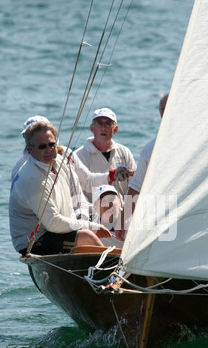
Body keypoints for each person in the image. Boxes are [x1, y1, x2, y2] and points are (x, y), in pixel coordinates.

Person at [9, 121, 112, 256]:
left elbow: (75, 199)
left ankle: (104, 269)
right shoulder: (32, 179)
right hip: (32, 241)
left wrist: (82, 220)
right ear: (30, 149)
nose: (49, 150)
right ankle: (112, 273)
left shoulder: (60, 162)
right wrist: (87, 226)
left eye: (52, 144)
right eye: (42, 146)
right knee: (87, 236)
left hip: (54, 229)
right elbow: (53, 223)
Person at [116, 93, 169, 241]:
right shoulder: (150, 149)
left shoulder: (151, 148)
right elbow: (136, 188)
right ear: (162, 113)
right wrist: (122, 222)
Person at [74, 107, 136, 202]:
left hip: (121, 212)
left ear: (115, 129)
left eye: (108, 124)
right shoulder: (79, 155)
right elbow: (79, 189)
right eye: (99, 124)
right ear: (92, 128)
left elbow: (134, 184)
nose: (103, 128)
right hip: (92, 213)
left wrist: (128, 211)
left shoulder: (124, 152)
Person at [92, 185, 123, 249]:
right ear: (95, 207)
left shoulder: (133, 223)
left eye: (111, 199)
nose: (108, 204)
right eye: (103, 201)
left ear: (119, 202)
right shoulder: (90, 228)